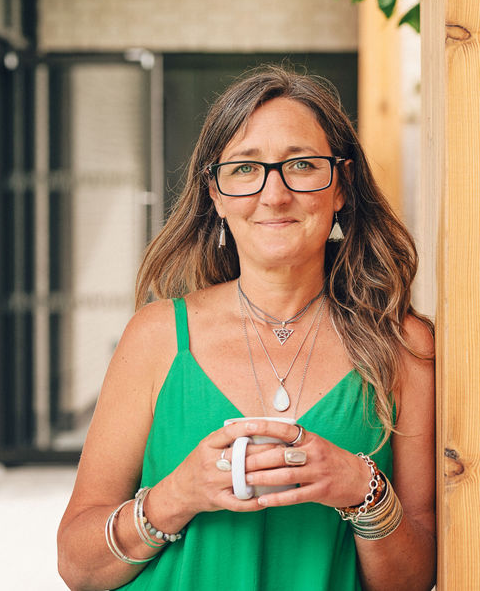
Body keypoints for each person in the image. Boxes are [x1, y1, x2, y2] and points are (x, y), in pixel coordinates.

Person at [57, 67, 436, 591]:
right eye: (244, 169)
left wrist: (362, 488)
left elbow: (413, 581)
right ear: (215, 193)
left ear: (342, 186)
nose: (274, 195)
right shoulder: (157, 336)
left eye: (301, 165)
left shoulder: (404, 346)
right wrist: (176, 496)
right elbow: (78, 568)